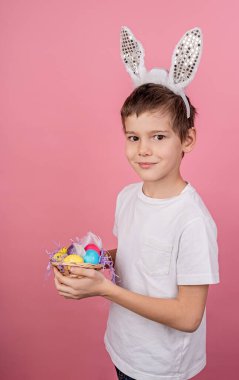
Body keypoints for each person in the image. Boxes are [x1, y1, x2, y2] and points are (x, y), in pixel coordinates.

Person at [53, 27, 220, 380]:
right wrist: (91, 264)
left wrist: (104, 289)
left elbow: (189, 317)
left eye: (158, 137)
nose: (143, 150)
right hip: (124, 347)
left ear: (187, 139)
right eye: (133, 137)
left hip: (162, 367)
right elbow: (135, 256)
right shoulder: (127, 197)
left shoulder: (191, 220)